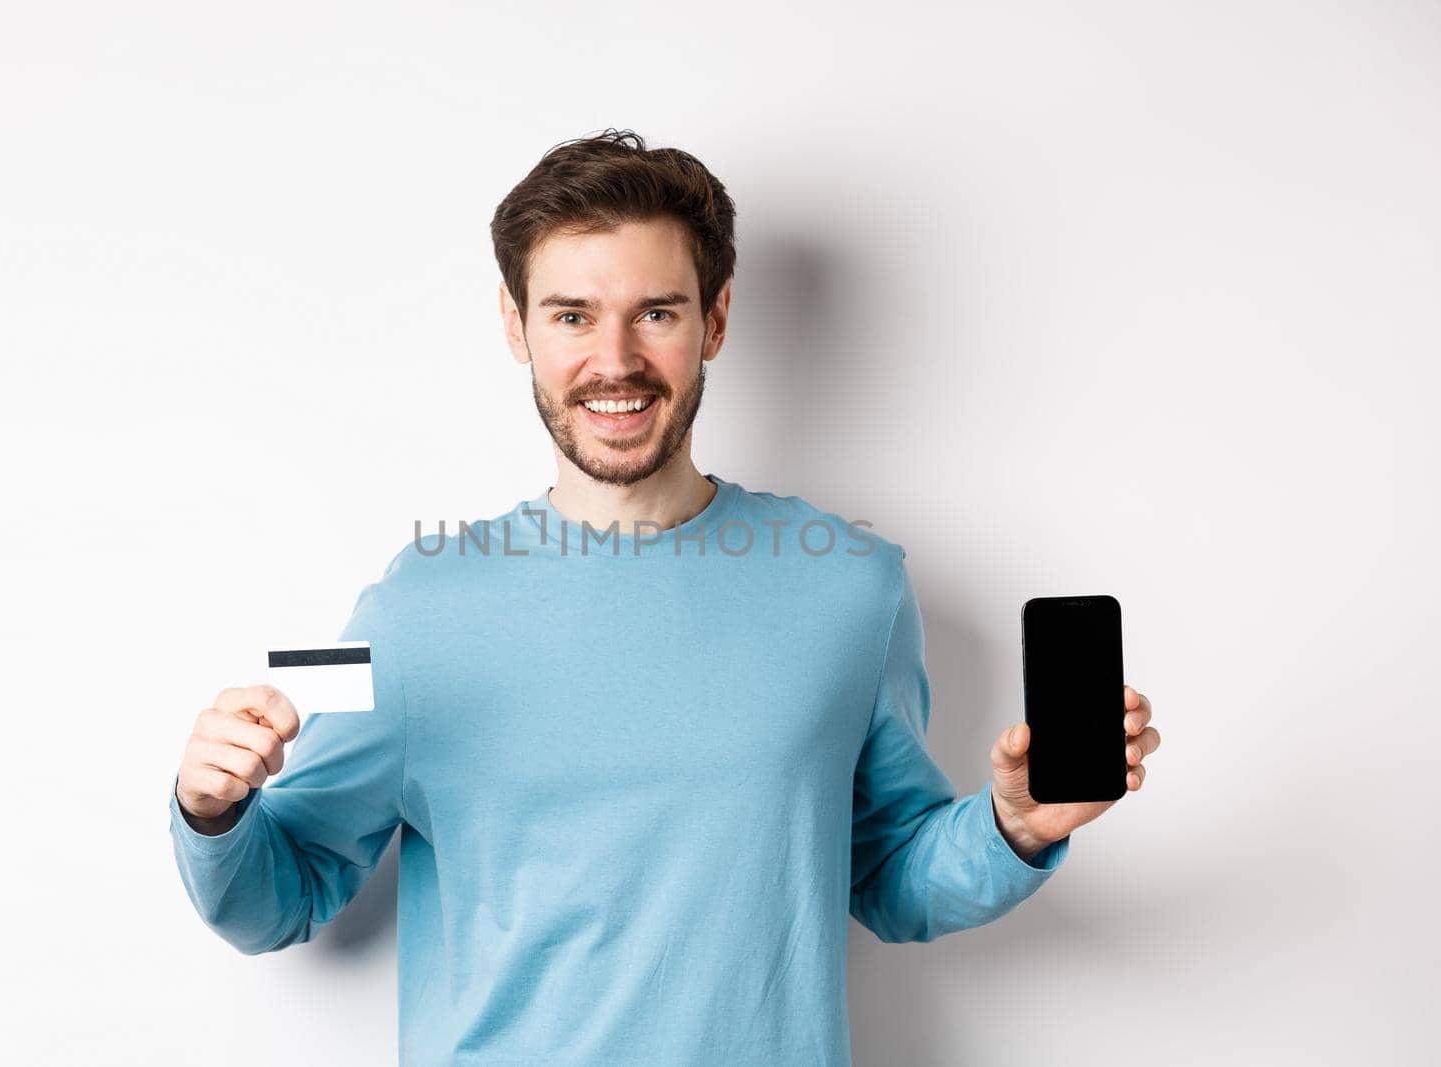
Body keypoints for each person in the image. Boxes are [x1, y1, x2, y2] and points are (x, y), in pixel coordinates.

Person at [168, 128, 1161, 1065]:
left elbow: (888, 875)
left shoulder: (849, 586)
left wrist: (1014, 823)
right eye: (572, 314)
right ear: (517, 326)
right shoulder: (414, 608)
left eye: (656, 311)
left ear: (714, 319)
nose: (616, 359)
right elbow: (278, 895)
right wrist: (213, 811)